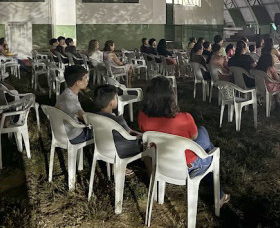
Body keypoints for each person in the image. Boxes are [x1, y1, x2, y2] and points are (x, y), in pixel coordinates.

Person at [138, 77, 230, 207]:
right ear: (170, 97)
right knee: (206, 142)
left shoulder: (142, 116)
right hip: (188, 165)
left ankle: (219, 193)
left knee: (205, 141)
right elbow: (194, 137)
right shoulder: (184, 118)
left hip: (160, 160)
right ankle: (219, 195)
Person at [92, 84, 142, 158]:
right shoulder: (118, 120)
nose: (117, 98)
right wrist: (143, 136)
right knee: (146, 144)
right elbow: (130, 132)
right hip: (121, 150)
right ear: (111, 103)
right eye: (116, 97)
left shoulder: (93, 116)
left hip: (103, 148)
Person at [55, 65, 93, 144]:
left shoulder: (65, 93)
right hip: (73, 135)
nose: (87, 80)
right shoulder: (71, 102)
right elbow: (87, 119)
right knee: (103, 131)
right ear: (78, 82)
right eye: (85, 78)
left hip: (60, 132)